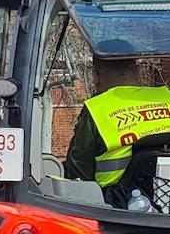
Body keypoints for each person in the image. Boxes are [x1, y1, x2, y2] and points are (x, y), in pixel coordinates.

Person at [65, 52, 170, 190]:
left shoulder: (96, 109)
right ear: (137, 71)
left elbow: (78, 175)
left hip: (114, 206)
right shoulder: (165, 96)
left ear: (96, 77)